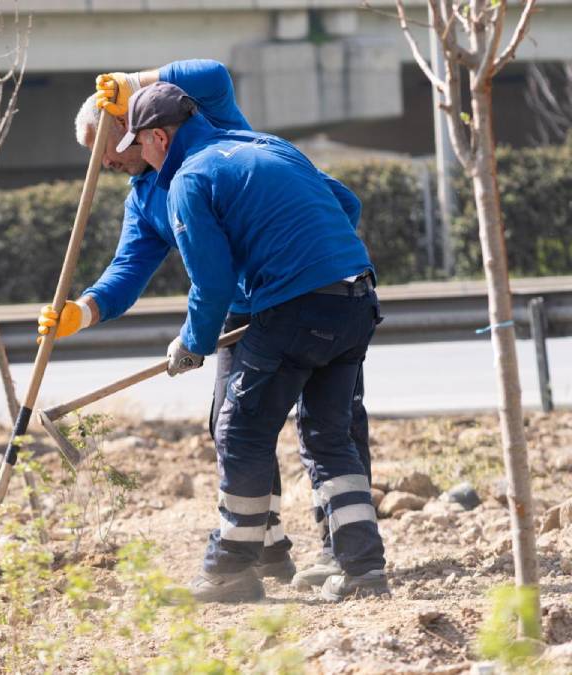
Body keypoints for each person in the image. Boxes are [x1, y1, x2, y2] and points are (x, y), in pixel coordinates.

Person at [41, 60, 371, 590]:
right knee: (236, 422)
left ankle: (314, 555)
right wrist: (84, 310)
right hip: (281, 302)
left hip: (275, 299)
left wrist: (134, 82)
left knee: (293, 426)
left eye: (106, 144)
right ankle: (267, 548)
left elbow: (212, 72)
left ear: (144, 129)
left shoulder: (215, 126)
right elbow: (128, 269)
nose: (103, 161)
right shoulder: (147, 196)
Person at [115, 81, 388, 602]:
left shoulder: (189, 180)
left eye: (139, 145)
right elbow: (345, 203)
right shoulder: (270, 146)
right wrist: (303, 256)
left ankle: (231, 571)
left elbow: (213, 284)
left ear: (158, 137)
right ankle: (364, 569)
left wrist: (192, 343)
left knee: (239, 431)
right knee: (330, 438)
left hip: (294, 308)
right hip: (355, 297)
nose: (139, 158)